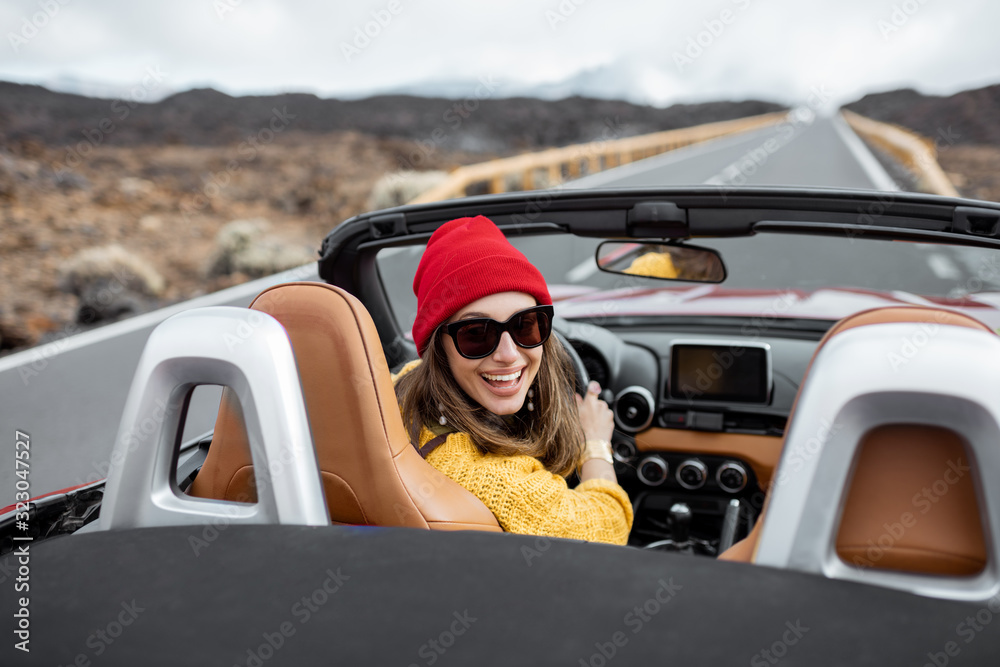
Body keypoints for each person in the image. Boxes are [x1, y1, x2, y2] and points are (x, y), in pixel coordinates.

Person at [393, 215, 633, 545]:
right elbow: (609, 527)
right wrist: (594, 445)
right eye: (476, 334)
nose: (508, 354)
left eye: (525, 325)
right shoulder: (494, 480)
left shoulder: (397, 392)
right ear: (438, 348)